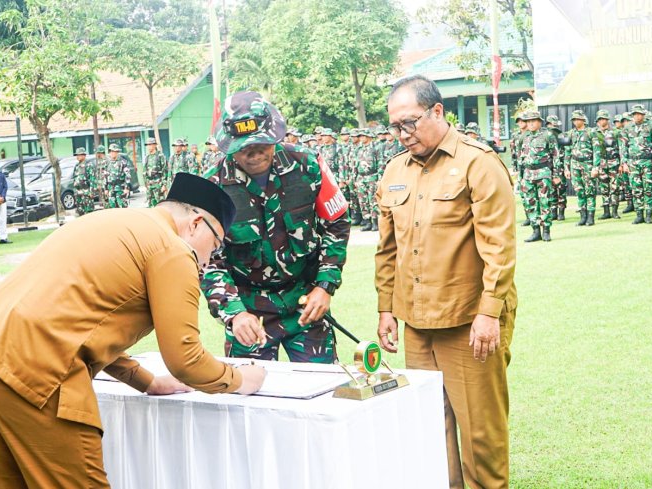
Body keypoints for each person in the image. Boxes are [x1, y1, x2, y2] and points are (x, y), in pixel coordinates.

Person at [0, 172, 267, 488]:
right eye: (214, 245)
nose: (207, 261)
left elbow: (77, 318)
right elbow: (185, 358)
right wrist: (241, 380)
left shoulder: (112, 221)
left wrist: (146, 381)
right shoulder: (172, 248)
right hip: (39, 372)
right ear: (196, 224)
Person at [375, 75, 517, 489]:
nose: (402, 135)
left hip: (469, 324)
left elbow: (499, 248)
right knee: (429, 433)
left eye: (410, 123)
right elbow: (388, 249)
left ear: (438, 111)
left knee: (480, 437)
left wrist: (490, 313)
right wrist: (386, 308)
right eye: (395, 126)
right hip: (417, 324)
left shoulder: (478, 163)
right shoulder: (394, 170)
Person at [202, 91, 350, 364]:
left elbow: (336, 223)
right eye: (244, 148)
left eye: (262, 144)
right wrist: (234, 313)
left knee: (322, 392)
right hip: (249, 313)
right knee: (251, 397)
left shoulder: (308, 165)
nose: (254, 154)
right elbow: (208, 261)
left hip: (305, 304)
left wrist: (325, 286)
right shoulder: (213, 187)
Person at [518, 111, 560, 242]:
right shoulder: (523, 137)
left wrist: (556, 175)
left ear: (539, 122)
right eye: (528, 121)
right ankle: (535, 231)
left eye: (533, 121)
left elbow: (556, 156)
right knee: (530, 203)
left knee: (544, 202)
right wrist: (521, 177)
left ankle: (546, 230)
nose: (530, 123)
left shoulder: (548, 136)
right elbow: (520, 157)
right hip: (528, 175)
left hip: (543, 173)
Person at [620, 104, 652, 224]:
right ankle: (639, 214)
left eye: (640, 114)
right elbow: (623, 147)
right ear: (632, 115)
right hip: (633, 163)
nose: (638, 116)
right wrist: (624, 163)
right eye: (635, 114)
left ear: (643, 114)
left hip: (647, 162)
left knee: (649, 188)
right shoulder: (627, 128)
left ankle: (648, 214)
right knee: (636, 189)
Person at [565, 110, 603, 226]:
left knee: (589, 191)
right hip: (575, 165)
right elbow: (567, 151)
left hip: (588, 165)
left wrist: (596, 167)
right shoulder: (571, 133)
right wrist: (566, 168)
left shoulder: (591, 132)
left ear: (583, 120)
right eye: (574, 120)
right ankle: (583, 216)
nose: (575, 121)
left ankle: (590, 217)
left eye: (577, 119)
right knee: (579, 191)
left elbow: (597, 151)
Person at [595, 110, 623, 219]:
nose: (602, 121)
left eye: (604, 119)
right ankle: (606, 211)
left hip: (614, 162)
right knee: (604, 188)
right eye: (600, 119)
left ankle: (615, 211)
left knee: (615, 187)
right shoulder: (595, 133)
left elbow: (622, 148)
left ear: (607, 120)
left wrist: (621, 163)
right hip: (601, 163)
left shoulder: (615, 132)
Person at [102, 144, 132, 209]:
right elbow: (105, 176)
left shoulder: (123, 162)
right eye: (112, 151)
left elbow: (128, 175)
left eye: (115, 152)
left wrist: (126, 188)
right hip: (110, 188)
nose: (113, 153)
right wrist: (105, 188)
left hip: (120, 188)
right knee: (112, 207)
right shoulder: (106, 162)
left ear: (117, 152)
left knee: (122, 206)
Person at [73, 147, 98, 216]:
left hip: (87, 192)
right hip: (78, 192)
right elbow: (74, 178)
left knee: (89, 213)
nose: (77, 157)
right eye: (77, 155)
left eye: (79, 155)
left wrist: (92, 192)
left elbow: (93, 179)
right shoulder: (77, 166)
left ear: (84, 155)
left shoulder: (89, 165)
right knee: (80, 212)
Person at [143, 138, 168, 207]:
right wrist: (146, 183)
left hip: (158, 184)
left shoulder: (160, 156)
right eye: (148, 145)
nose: (149, 146)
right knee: (151, 204)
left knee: (160, 204)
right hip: (150, 184)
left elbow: (165, 170)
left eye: (150, 144)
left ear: (155, 145)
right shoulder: (147, 157)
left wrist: (164, 185)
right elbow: (144, 171)